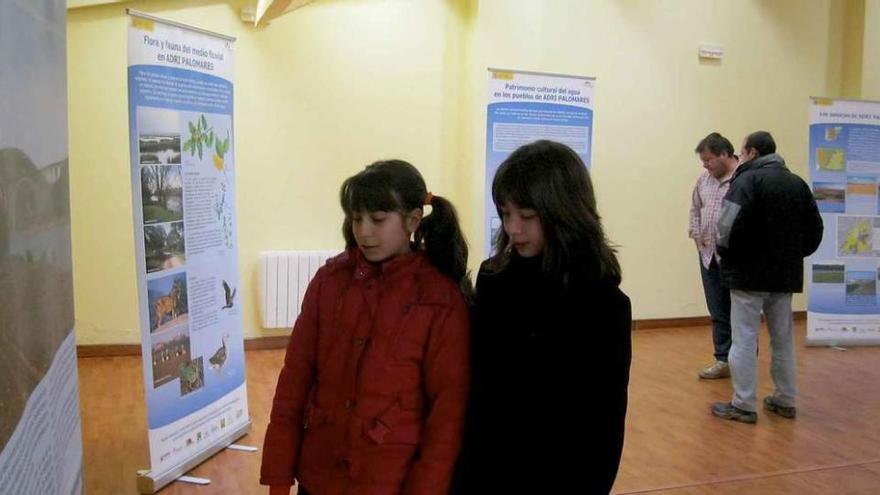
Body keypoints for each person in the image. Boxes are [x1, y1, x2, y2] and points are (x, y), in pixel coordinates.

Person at [260, 160, 472, 494]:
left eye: (377, 219)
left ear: (413, 220)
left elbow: (447, 415)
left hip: (389, 480)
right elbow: (294, 380)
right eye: (357, 218)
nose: (364, 232)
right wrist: (278, 474)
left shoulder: (440, 300)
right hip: (319, 473)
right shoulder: (329, 282)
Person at [452, 140, 632, 494]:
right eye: (505, 214)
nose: (514, 228)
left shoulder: (603, 304)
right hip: (484, 470)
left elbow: (603, 425)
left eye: (528, 216)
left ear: (564, 212)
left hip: (556, 475)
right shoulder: (494, 280)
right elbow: (476, 390)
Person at [712, 131, 823, 423]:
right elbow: (815, 230)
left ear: (750, 152)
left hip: (747, 276)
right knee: (783, 338)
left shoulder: (745, 181)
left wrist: (728, 256)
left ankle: (743, 403)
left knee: (744, 338)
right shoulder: (797, 183)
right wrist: (793, 256)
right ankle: (785, 399)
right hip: (784, 275)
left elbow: (725, 227)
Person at [689, 132, 739, 379]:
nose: (705, 165)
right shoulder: (704, 180)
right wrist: (697, 237)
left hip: (736, 258)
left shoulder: (743, 179)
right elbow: (695, 209)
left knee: (739, 311)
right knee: (718, 309)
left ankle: (742, 360)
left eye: (708, 160)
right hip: (708, 255)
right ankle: (722, 359)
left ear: (724, 154)